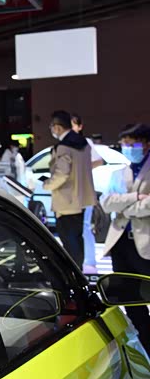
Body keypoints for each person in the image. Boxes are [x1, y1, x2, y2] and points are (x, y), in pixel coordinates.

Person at [101, 123, 150, 350]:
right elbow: (106, 202)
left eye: (132, 143)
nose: (127, 148)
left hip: (146, 243)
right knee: (128, 296)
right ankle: (145, 340)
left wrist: (126, 208)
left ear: (146, 143)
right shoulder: (119, 172)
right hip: (120, 243)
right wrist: (135, 198)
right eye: (124, 144)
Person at [43, 110, 96, 269]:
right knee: (77, 240)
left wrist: (46, 184)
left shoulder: (64, 147)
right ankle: (78, 271)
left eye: (52, 127)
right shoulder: (84, 144)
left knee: (69, 242)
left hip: (66, 202)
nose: (52, 130)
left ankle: (73, 274)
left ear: (58, 127)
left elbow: (62, 174)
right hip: (81, 200)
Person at [71, 113, 105, 275]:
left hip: (84, 191)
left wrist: (82, 166)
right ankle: (77, 260)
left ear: (80, 127)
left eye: (73, 124)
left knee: (84, 226)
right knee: (72, 228)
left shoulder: (85, 142)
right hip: (70, 192)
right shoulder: (65, 144)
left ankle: (89, 262)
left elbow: (99, 161)